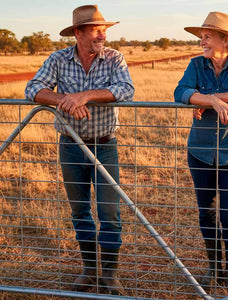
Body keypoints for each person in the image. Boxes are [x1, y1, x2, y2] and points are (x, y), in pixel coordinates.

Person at [25, 4, 134, 295]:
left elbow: (126, 89)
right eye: (97, 30)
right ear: (78, 33)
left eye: (105, 30)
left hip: (105, 145)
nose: (103, 35)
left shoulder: (114, 58)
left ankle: (109, 275)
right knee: (79, 211)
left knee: (110, 212)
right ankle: (89, 269)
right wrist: (65, 99)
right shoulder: (58, 59)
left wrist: (84, 96)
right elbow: (33, 87)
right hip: (71, 146)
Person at [174, 12, 228, 289]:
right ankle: (213, 266)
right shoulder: (196, 64)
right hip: (200, 150)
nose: (202, 41)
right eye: (201, 37)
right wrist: (214, 100)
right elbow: (181, 92)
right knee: (206, 211)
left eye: (207, 36)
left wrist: (208, 100)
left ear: (226, 39)